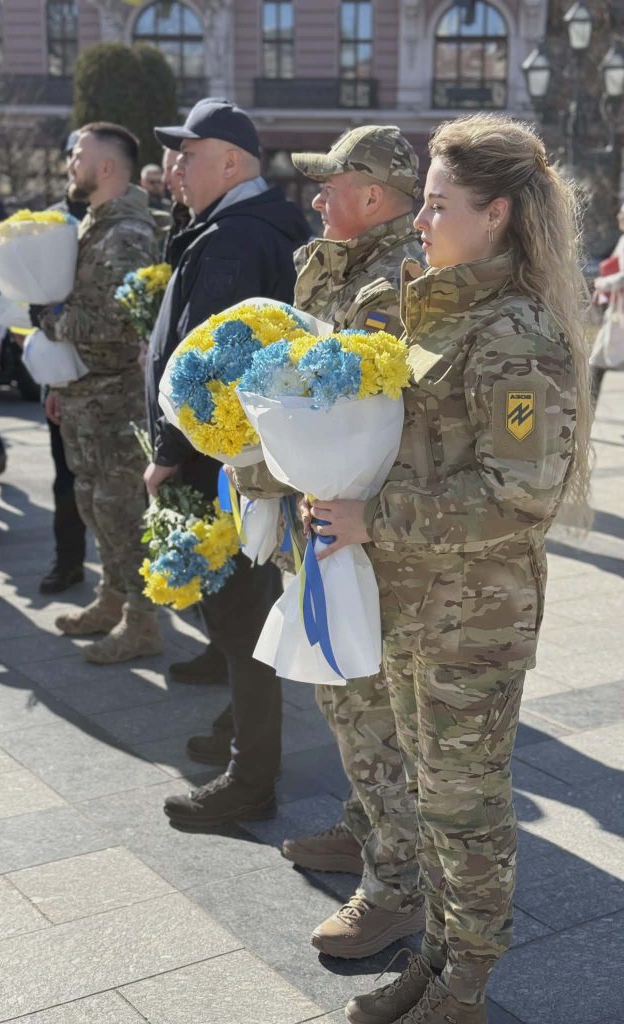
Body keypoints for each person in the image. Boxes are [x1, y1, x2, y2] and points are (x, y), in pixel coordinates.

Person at [303, 113, 591, 1024]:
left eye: (436, 205)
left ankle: (465, 982)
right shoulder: (444, 307)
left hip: (474, 620)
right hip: (414, 602)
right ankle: (435, 961)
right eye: (421, 203)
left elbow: (520, 499)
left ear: (496, 213)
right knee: (429, 798)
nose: (419, 222)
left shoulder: (515, 333)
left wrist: (369, 514)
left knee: (466, 813)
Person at [235, 125, 428, 959]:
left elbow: (367, 421)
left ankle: (395, 890)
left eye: (331, 185)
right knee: (342, 696)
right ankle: (365, 829)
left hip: (360, 530)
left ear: (376, 197)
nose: (315, 199)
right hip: (324, 518)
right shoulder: (341, 265)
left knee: (369, 711)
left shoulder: (392, 282)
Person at [144, 97, 310, 830]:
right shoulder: (225, 226)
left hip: (227, 461)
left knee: (243, 615)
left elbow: (212, 366)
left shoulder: (238, 237)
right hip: (233, 459)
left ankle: (252, 778)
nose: (175, 167)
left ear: (233, 163)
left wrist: (172, 454)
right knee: (241, 614)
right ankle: (241, 727)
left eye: (189, 152)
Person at [34, 122, 162, 663]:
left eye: (77, 153)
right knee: (93, 502)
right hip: (88, 393)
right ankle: (111, 599)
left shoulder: (125, 233)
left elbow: (117, 322)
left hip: (115, 400)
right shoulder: (95, 225)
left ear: (106, 167)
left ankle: (142, 620)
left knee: (121, 509)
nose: (69, 162)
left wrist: (52, 321)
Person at [39, 130, 88, 596]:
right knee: (65, 476)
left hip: (108, 375)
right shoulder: (50, 224)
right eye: (70, 155)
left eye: (81, 156)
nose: (75, 163)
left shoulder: (118, 219)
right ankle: (68, 561)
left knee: (117, 481)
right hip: (61, 371)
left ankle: (130, 577)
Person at [590, 200, 624, 401]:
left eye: (623, 215)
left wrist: (602, 283)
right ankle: (585, 420)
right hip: (616, 312)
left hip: (620, 316)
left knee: (598, 365)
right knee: (596, 363)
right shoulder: (622, 240)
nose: (619, 218)